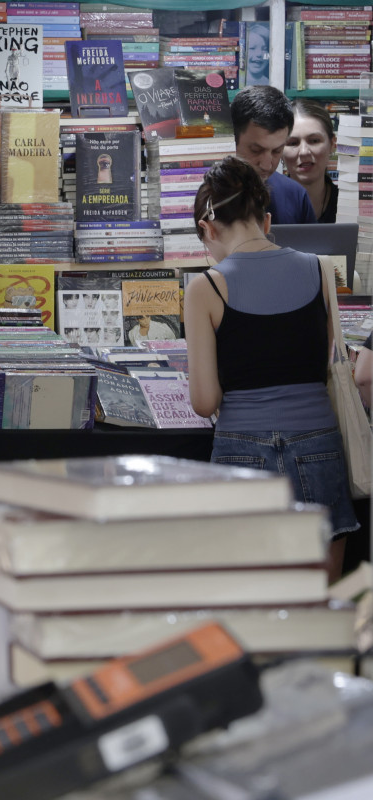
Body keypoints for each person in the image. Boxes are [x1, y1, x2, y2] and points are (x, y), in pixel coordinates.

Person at [184, 156, 357, 581]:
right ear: (265, 218)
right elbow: (328, 360)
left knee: (252, 602)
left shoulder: (205, 287)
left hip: (241, 447)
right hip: (319, 444)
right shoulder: (321, 270)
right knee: (320, 598)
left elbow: (205, 402)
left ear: (208, 229)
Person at [230, 85, 316, 224]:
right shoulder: (201, 192)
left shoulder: (296, 196)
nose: (267, 165)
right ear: (232, 139)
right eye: (256, 150)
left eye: (277, 151)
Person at [283, 98, 338, 223]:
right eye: (293, 143)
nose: (304, 152)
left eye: (314, 141)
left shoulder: (350, 206)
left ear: (332, 144)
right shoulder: (263, 206)